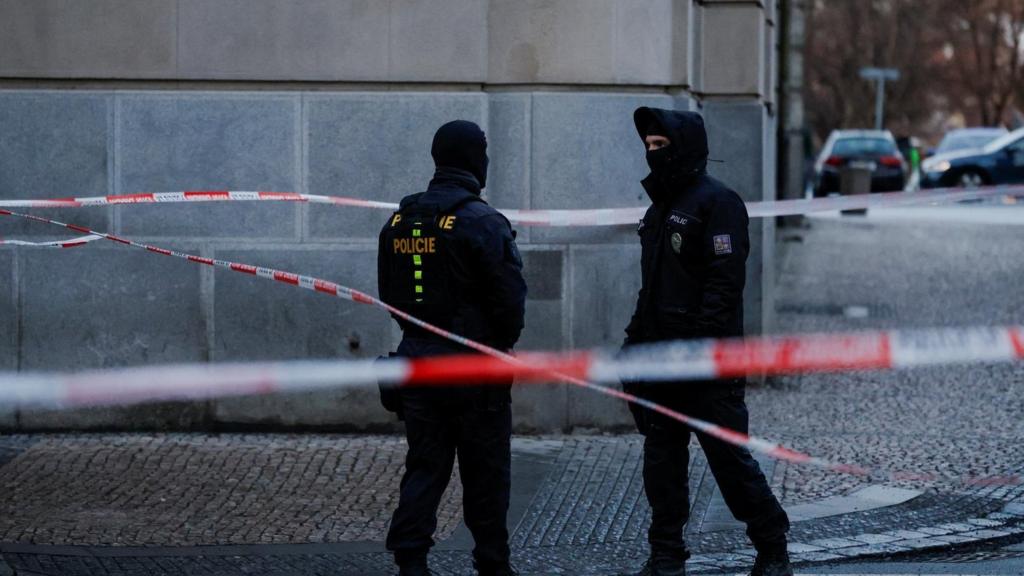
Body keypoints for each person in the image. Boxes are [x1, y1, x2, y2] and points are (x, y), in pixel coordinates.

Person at [621, 107, 792, 576]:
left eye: (661, 145)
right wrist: (633, 345)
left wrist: (697, 350)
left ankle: (773, 546)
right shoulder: (658, 209)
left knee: (729, 460)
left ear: (685, 146)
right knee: (662, 465)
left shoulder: (719, 203)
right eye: (649, 146)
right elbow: (650, 287)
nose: (653, 153)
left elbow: (723, 286)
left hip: (707, 363)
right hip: (659, 359)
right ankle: (665, 555)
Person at [378, 120, 527, 576]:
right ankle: (492, 564)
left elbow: (390, 296)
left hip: (418, 367)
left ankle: (411, 561)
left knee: (424, 468)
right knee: (486, 475)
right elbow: (510, 302)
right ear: (473, 160)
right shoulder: (482, 222)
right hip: (475, 374)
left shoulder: (399, 221)